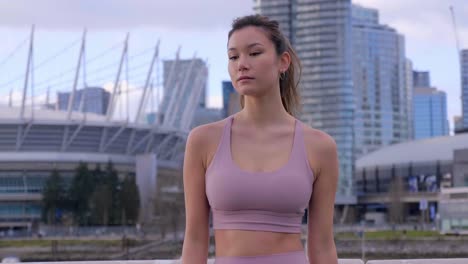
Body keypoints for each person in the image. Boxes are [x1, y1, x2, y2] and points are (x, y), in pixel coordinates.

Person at [181, 14, 339, 264]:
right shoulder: (203, 141)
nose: (241, 64)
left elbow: (322, 245)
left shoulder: (320, 146)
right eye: (233, 57)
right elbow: (195, 240)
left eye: (254, 53)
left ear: (282, 62)